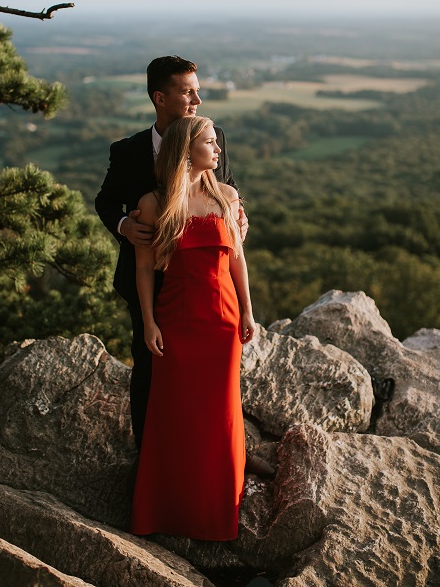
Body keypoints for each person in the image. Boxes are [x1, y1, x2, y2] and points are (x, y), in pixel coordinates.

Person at [95, 56, 246, 451]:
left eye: (197, 89)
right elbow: (106, 202)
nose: (197, 98)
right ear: (160, 98)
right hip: (150, 278)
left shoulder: (215, 137)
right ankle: (150, 459)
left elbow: (226, 187)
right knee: (150, 370)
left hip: (206, 284)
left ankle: (216, 455)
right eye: (187, 91)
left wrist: (239, 213)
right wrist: (126, 227)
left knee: (211, 378)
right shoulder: (128, 152)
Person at [130, 116, 255, 540]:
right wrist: (149, 323)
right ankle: (165, 512)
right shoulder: (154, 203)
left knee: (220, 414)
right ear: (187, 149)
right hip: (176, 318)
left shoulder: (228, 196)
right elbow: (145, 268)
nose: (218, 149)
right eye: (209, 142)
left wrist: (249, 313)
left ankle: (216, 514)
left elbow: (237, 259)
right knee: (174, 413)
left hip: (223, 319)